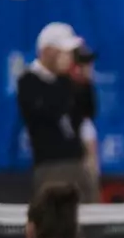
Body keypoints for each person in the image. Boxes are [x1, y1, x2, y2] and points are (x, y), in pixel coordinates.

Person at [17, 23, 99, 202]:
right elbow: (50, 111)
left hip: (78, 163)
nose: (68, 57)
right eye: (63, 52)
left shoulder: (67, 81)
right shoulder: (29, 81)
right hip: (50, 166)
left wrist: (85, 81)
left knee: (90, 220)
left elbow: (88, 112)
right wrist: (64, 80)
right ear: (47, 51)